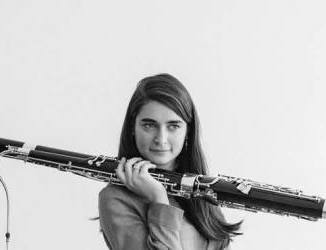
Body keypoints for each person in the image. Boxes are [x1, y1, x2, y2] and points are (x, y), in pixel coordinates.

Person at [98, 73, 242, 250]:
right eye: (149, 125)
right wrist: (158, 198)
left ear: (188, 132)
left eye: (173, 126)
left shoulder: (200, 190)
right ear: (133, 128)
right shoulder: (115, 198)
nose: (161, 139)